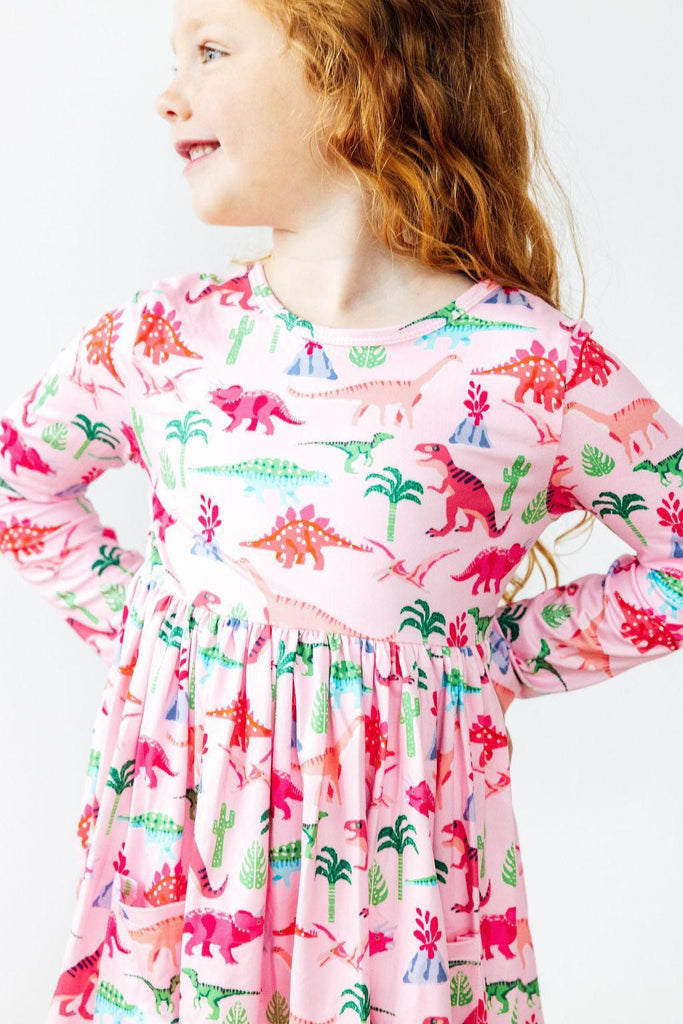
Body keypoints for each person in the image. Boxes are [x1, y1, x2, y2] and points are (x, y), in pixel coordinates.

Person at [1, 0, 681, 1021]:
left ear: (356, 68)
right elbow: (23, 477)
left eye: (210, 50)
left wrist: (492, 657)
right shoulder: (164, 338)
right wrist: (158, 641)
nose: (169, 93)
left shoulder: (530, 365)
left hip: (397, 888)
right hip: (186, 874)